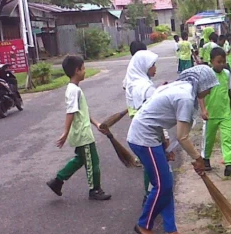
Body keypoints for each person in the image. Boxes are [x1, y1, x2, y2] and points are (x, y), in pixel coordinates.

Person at [127, 66, 219, 234]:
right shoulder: (184, 97)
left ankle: (171, 231)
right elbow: (182, 137)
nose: (209, 91)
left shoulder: (180, 88)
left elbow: (154, 116)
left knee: (166, 184)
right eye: (209, 87)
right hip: (143, 139)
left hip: (151, 136)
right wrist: (198, 159)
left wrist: (163, 146)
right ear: (202, 84)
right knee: (163, 185)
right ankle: (144, 224)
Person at [47, 55, 111, 201]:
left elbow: (83, 112)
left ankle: (57, 181)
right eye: (83, 68)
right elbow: (70, 112)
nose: (85, 71)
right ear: (77, 70)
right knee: (93, 162)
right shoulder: (73, 90)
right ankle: (95, 190)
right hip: (83, 134)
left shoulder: (74, 89)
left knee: (81, 159)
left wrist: (97, 124)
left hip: (83, 132)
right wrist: (65, 133)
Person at [123, 50, 173, 204]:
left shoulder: (136, 82)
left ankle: (150, 195)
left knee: (149, 165)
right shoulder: (145, 86)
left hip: (140, 132)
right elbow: (155, 113)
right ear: (144, 66)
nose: (155, 68)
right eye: (152, 65)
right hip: (149, 132)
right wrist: (164, 137)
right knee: (156, 167)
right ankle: (151, 198)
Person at [202, 48, 231, 177]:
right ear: (212, 61)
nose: (221, 64)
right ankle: (205, 159)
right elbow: (200, 94)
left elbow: (228, 91)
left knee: (227, 138)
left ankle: (229, 164)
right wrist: (203, 110)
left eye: (223, 61)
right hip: (210, 113)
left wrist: (230, 107)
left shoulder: (226, 74)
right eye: (218, 61)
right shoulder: (206, 75)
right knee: (209, 139)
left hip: (225, 113)